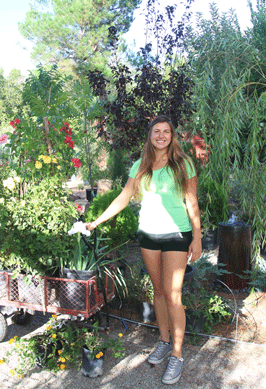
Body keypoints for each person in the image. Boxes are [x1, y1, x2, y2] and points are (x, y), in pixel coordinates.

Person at [85, 115, 202, 385]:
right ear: (149, 135)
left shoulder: (183, 164)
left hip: (176, 234)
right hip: (148, 235)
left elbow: (192, 202)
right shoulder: (140, 165)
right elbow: (124, 198)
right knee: (158, 291)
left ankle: (177, 355)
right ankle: (163, 341)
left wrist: (197, 238)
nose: (161, 135)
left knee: (173, 295)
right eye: (156, 131)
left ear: (172, 136)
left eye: (166, 132)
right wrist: (98, 220)